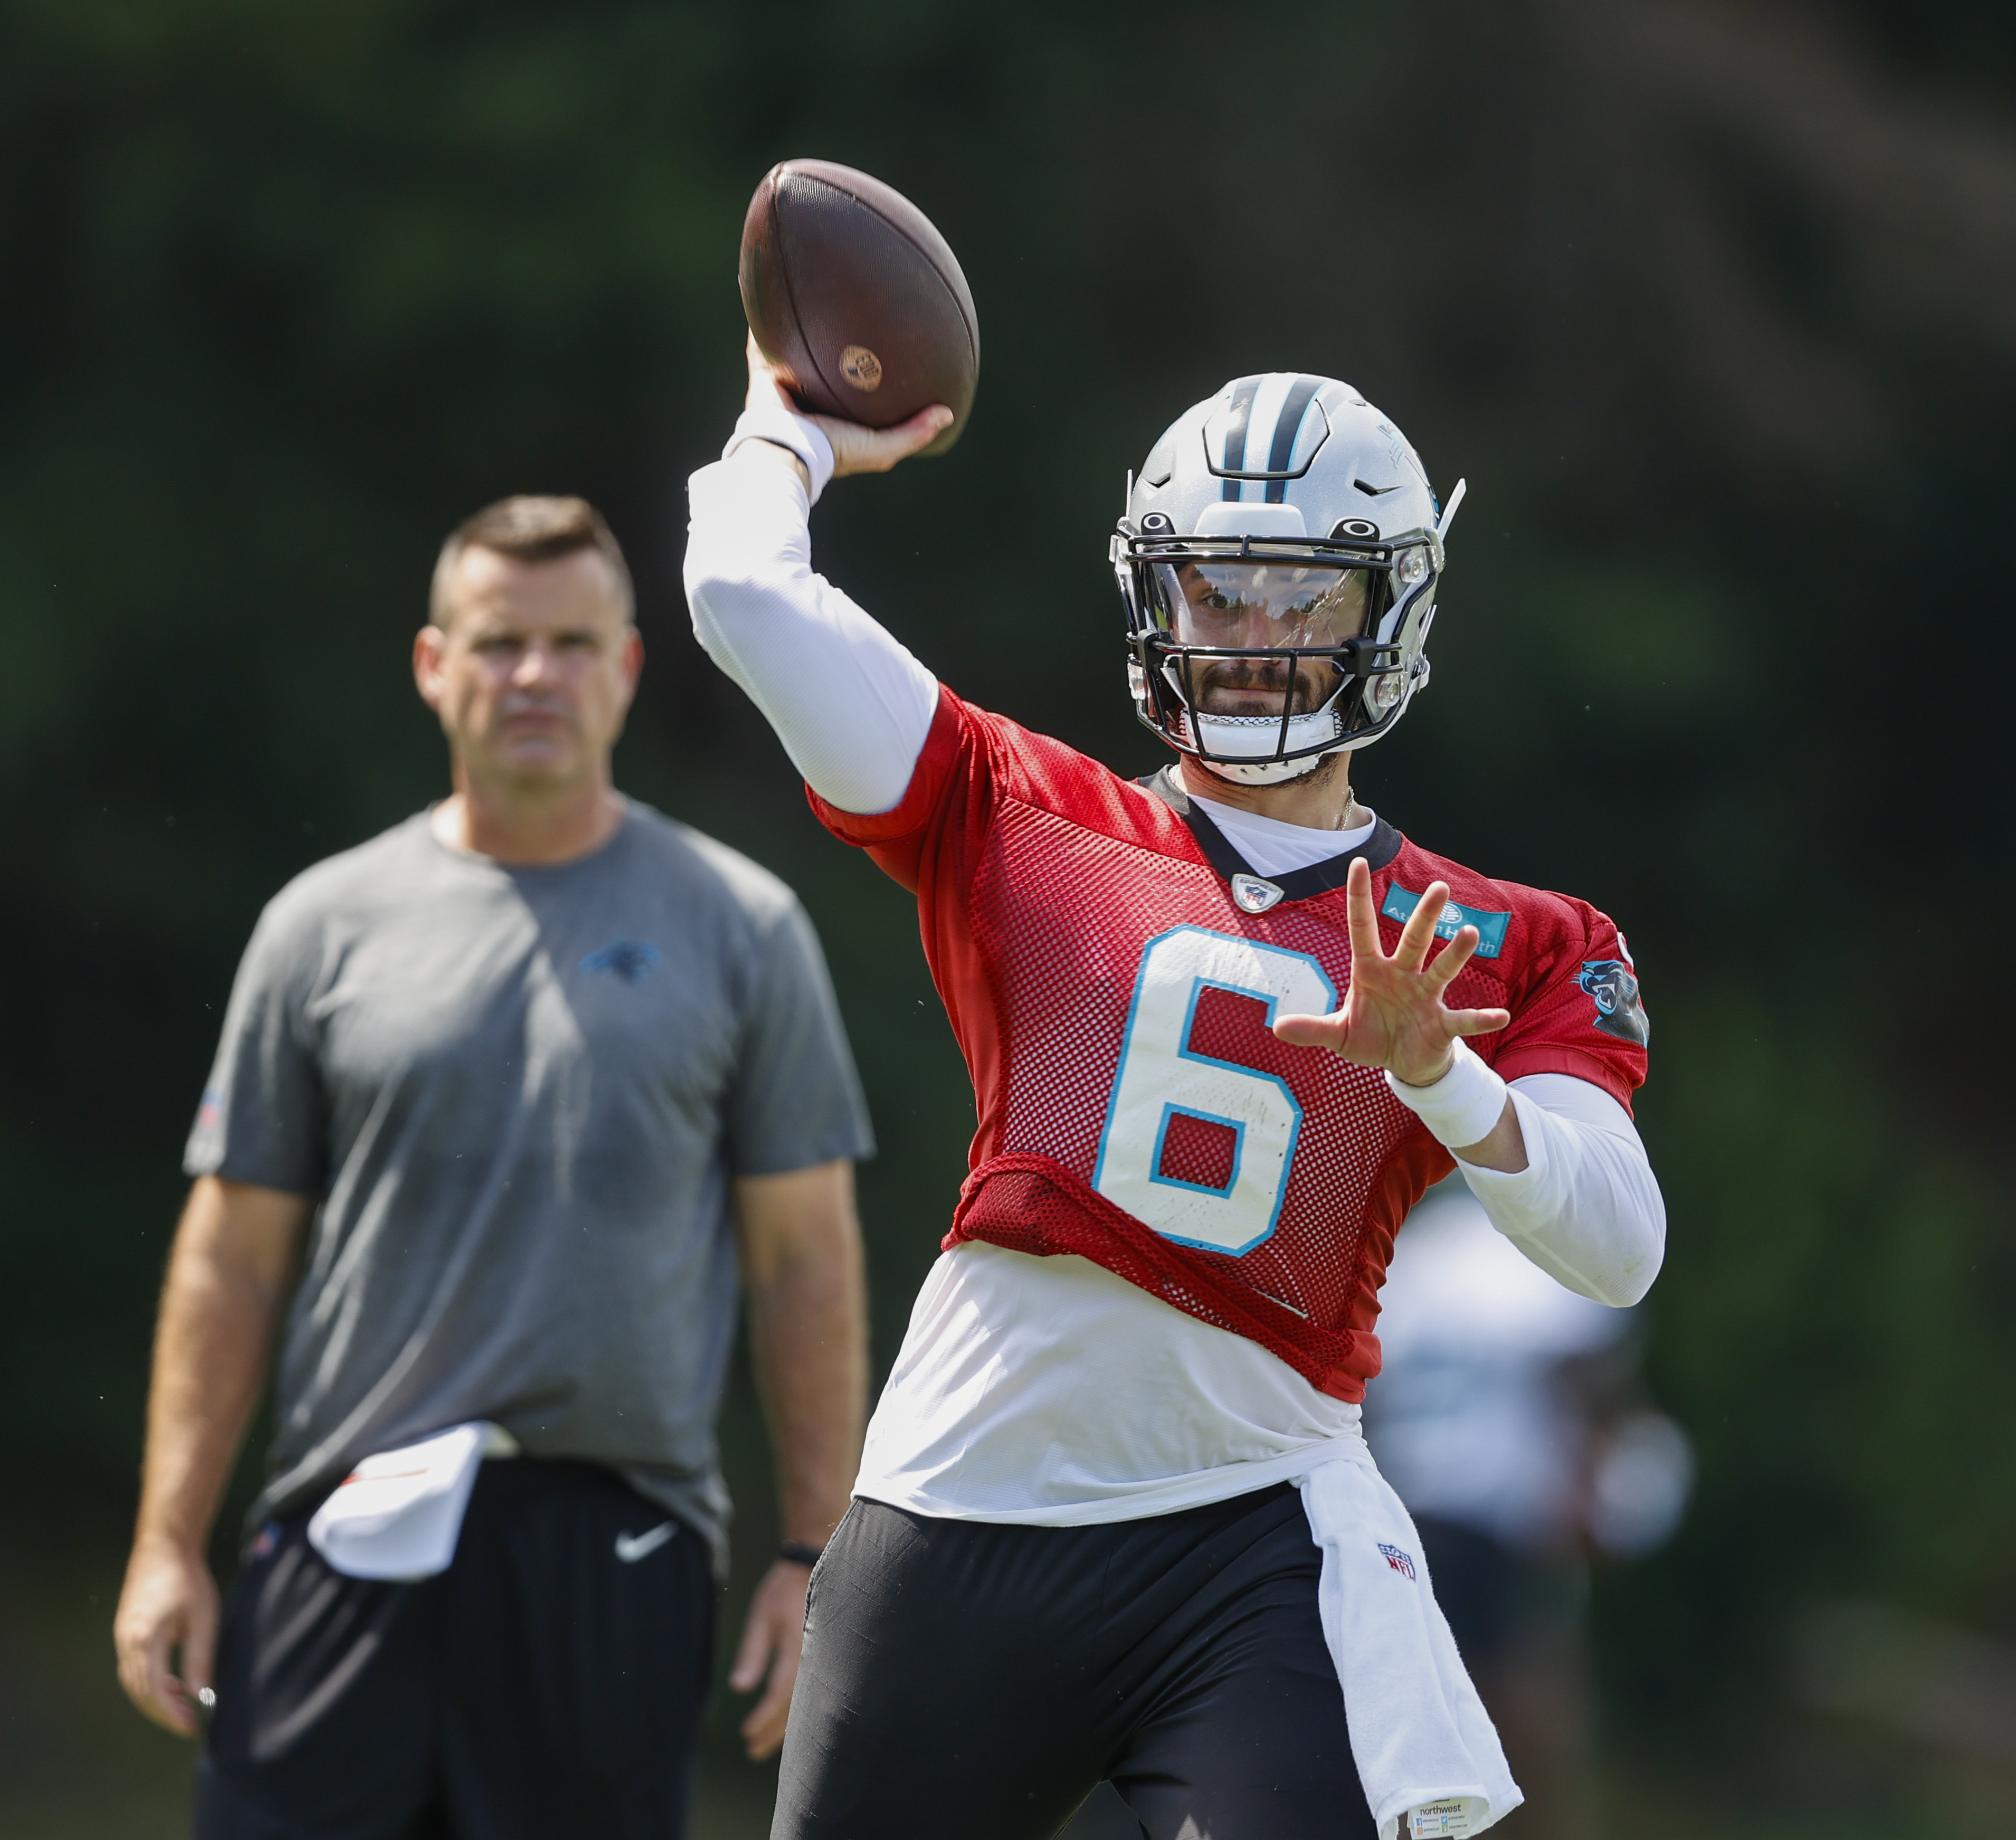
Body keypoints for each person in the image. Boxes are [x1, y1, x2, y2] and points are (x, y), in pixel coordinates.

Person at [682, 349, 1669, 1840]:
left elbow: (1617, 1243)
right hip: (970, 1503)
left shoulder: (1503, 938)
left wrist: (1438, 1071)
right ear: (1156, 598)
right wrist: (786, 424)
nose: (1257, 637)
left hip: (1249, 1532)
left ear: (1386, 610)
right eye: (1218, 590)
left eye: (1304, 596)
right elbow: (746, 597)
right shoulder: (1022, 813)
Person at [112, 495, 875, 1840]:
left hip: (613, 1542)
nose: (536, 675)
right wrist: (169, 1539)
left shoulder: (740, 927)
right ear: (432, 664)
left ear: (629, 670)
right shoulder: (321, 926)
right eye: (500, 641)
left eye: (574, 643)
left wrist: (817, 1556)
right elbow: (232, 1255)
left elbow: (803, 1260)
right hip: (345, 1528)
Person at [1366, 1184, 1694, 1840]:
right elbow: (1582, 1380)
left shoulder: (1415, 1250)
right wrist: (1587, 1492)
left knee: (1410, 1745)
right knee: (1532, 1737)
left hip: (1393, 1519)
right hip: (1491, 1529)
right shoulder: (1544, 1258)